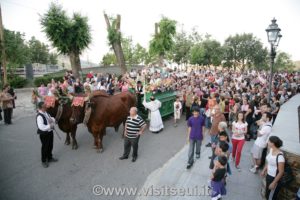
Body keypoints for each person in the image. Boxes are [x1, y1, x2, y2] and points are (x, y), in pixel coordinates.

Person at [36, 102, 58, 168]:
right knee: (45, 147)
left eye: (45, 106)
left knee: (50, 145)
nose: (46, 107)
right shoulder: (39, 116)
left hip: (50, 132)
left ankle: (49, 157)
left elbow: (51, 118)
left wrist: (52, 119)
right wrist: (50, 126)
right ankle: (43, 161)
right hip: (44, 134)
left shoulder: (46, 113)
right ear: (41, 108)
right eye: (44, 106)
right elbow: (41, 127)